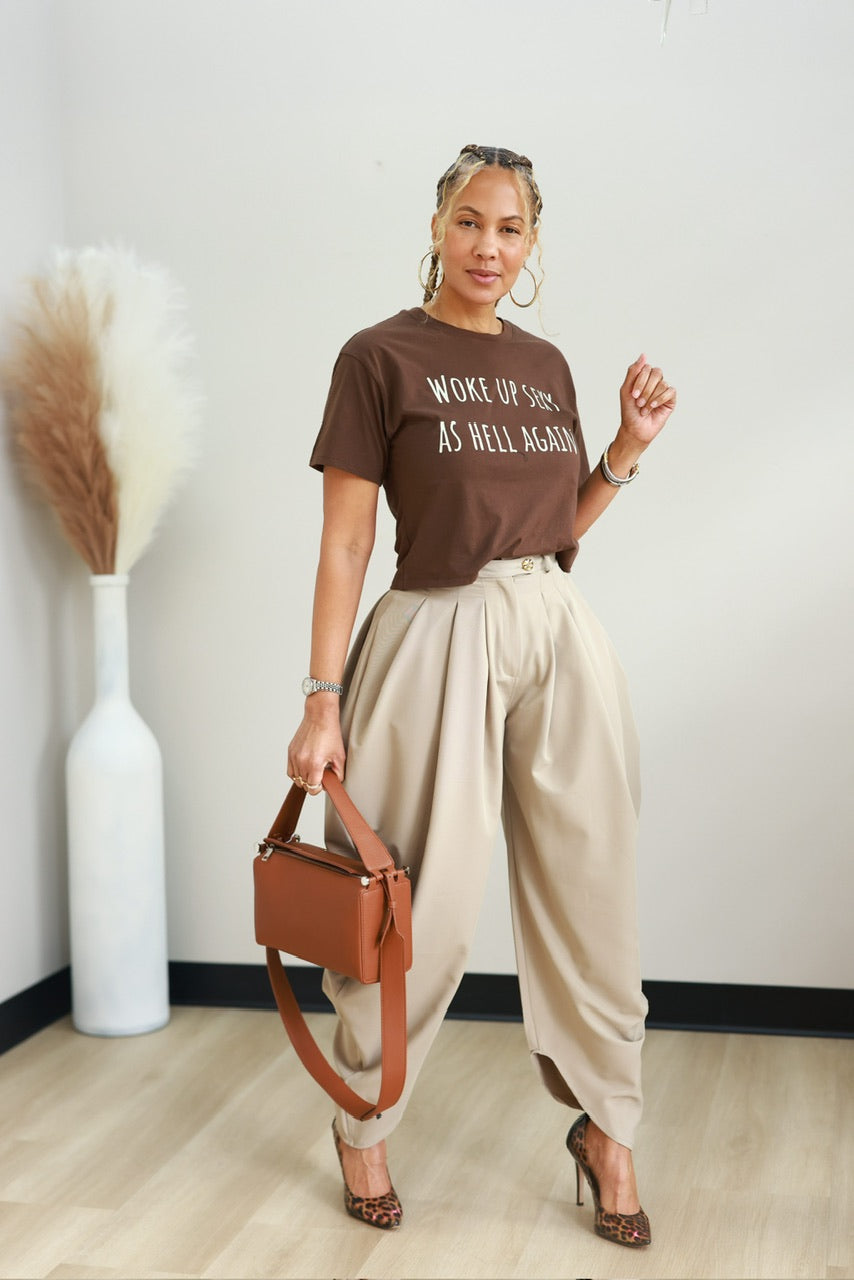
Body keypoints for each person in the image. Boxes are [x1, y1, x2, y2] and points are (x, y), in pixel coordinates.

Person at [287, 142, 676, 1248]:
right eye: (468, 221)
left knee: (594, 884)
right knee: (416, 900)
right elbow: (347, 540)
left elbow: (555, 532)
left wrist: (624, 448)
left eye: (509, 228)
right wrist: (321, 699)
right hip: (434, 630)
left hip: (553, 624)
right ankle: (364, 1119)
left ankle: (608, 1129)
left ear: (532, 242)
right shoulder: (378, 357)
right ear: (436, 227)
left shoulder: (545, 365)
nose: (487, 247)